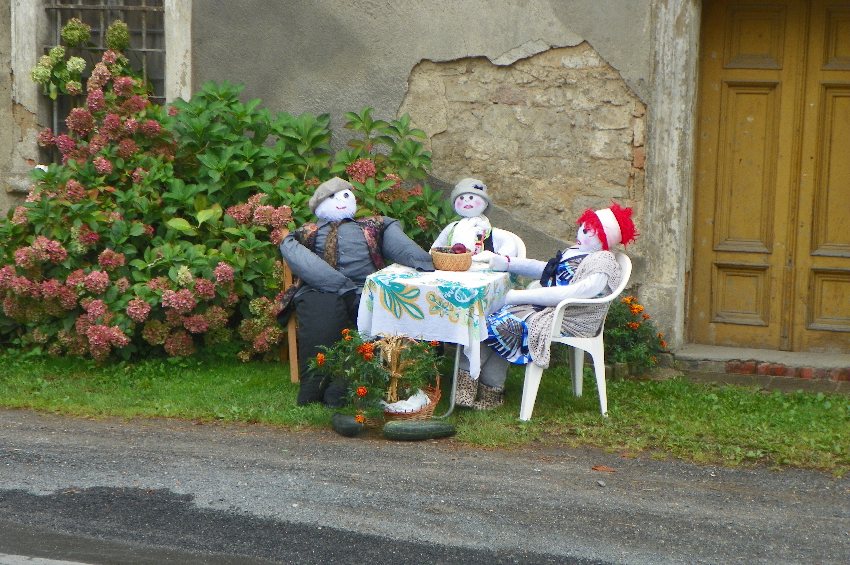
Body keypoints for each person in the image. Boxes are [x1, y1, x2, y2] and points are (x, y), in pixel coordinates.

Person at [454, 202, 637, 410]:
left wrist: (519, 296)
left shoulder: (602, 263)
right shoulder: (578, 252)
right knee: (487, 319)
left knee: (501, 324)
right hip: (548, 308)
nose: (580, 233)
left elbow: (575, 292)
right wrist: (505, 262)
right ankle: (467, 386)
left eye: (588, 231)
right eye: (581, 227)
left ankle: (490, 391)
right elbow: (547, 269)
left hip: (569, 317)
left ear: (604, 238)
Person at [279, 177, 434, 406]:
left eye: (345, 195)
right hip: (320, 288)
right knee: (322, 318)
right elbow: (296, 254)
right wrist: (337, 284)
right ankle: (313, 389)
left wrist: (426, 262)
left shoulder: (372, 226)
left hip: (367, 287)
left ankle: (343, 388)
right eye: (333, 197)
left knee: (386, 314)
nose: (341, 201)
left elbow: (399, 245)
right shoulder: (307, 232)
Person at [431, 178, 522, 258]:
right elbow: (436, 247)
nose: (466, 200)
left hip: (481, 269)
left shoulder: (486, 229)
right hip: (452, 268)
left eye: (471, 197)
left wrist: (494, 257)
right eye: (461, 198)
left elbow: (509, 245)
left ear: (485, 203)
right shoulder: (452, 228)